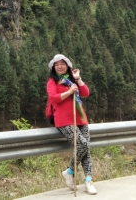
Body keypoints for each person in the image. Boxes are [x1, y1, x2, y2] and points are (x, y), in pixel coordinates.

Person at [47, 54, 97, 195]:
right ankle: (70, 172)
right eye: (57, 64)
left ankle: (88, 180)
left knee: (86, 149)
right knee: (83, 145)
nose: (60, 66)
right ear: (53, 67)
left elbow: (86, 93)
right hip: (64, 119)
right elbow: (53, 98)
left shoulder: (72, 80)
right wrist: (69, 92)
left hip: (80, 117)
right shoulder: (53, 81)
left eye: (62, 64)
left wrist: (78, 79)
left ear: (68, 65)